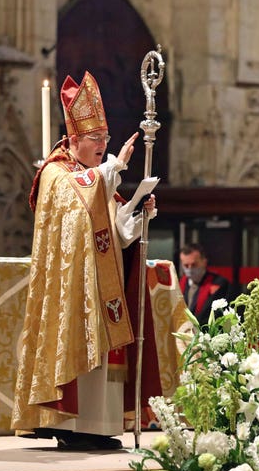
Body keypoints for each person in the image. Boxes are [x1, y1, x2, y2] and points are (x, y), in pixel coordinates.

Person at [11, 71, 156, 451]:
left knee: (107, 357)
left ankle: (98, 426)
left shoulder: (93, 175)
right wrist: (114, 168)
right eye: (97, 139)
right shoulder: (55, 173)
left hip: (102, 283)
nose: (103, 145)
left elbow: (113, 232)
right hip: (72, 288)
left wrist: (137, 214)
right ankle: (72, 426)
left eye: (106, 139)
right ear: (74, 139)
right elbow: (76, 205)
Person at [178, 242, 230, 325]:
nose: (190, 269)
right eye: (186, 265)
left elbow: (219, 315)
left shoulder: (219, 284)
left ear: (204, 262)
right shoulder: (179, 284)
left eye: (194, 264)